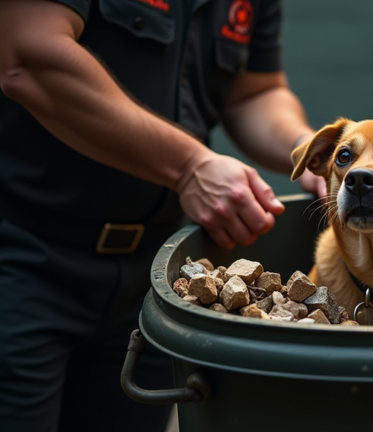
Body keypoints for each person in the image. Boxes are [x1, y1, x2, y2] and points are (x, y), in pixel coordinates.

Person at [0, 0, 322, 430]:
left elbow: (255, 92)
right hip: (23, 254)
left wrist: (311, 150)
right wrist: (190, 166)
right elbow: (28, 52)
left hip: (151, 278)